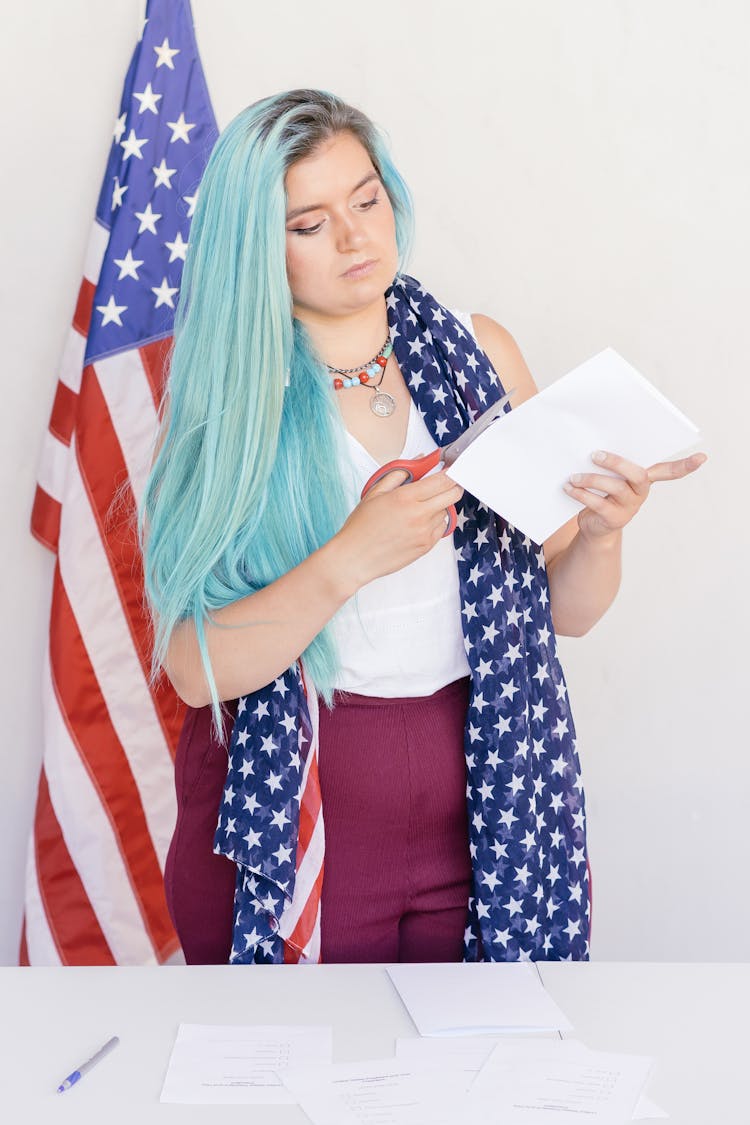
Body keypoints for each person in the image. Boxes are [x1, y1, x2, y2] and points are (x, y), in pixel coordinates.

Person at [140, 88, 706, 967]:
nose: (357, 237)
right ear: (254, 248)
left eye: (366, 200)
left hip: (480, 814)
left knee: (476, 1086)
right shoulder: (229, 408)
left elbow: (571, 611)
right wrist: (348, 558)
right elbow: (192, 662)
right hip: (295, 818)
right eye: (310, 224)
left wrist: (600, 534)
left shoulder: (481, 356)